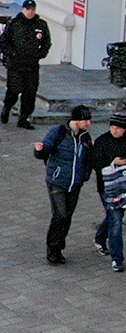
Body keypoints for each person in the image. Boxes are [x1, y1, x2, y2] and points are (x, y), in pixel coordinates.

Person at [36, 105, 94, 265]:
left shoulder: (85, 137)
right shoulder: (58, 132)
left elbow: (88, 159)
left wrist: (85, 175)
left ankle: (59, 248)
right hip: (57, 181)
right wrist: (39, 150)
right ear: (77, 120)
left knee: (67, 217)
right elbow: (43, 152)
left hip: (75, 184)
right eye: (86, 120)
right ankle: (52, 249)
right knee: (60, 215)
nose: (89, 123)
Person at [0, 0, 52, 128]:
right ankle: (7, 107)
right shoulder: (14, 24)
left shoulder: (41, 25)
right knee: (14, 90)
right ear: (23, 9)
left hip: (31, 66)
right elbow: (3, 42)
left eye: (32, 10)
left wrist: (40, 54)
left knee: (30, 93)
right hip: (16, 65)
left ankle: (23, 118)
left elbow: (46, 42)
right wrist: (12, 53)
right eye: (28, 9)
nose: (30, 12)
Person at [90, 112, 126, 272]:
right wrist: (112, 163)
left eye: (118, 128)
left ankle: (99, 238)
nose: (115, 130)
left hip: (124, 187)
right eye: (112, 127)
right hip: (107, 189)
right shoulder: (102, 141)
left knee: (113, 217)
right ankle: (117, 259)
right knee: (116, 220)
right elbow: (96, 163)